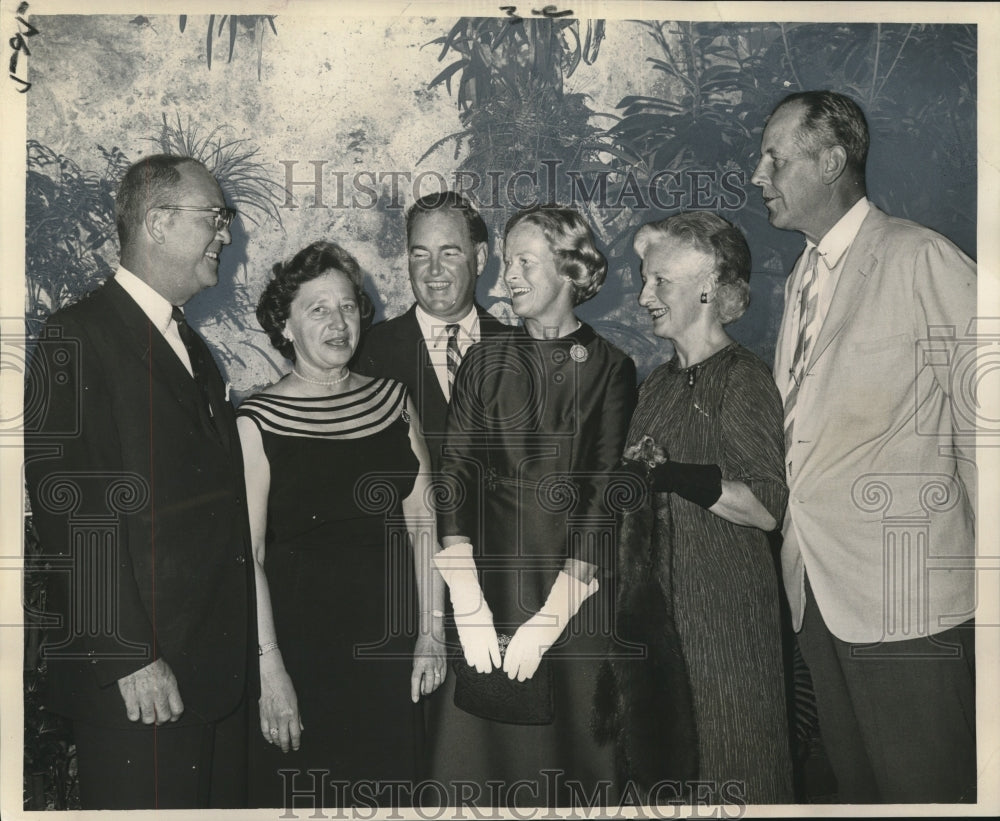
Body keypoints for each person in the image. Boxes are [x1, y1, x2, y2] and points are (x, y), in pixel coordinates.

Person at [751, 90, 977, 802]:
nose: (758, 174)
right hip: (817, 589)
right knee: (860, 791)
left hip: (908, 596)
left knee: (926, 790)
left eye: (774, 159)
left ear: (831, 161)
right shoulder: (802, 279)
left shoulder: (921, 257)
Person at [23, 155, 256, 809]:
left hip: (211, 679)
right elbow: (68, 506)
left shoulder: (192, 346)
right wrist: (129, 654)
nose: (227, 234)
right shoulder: (77, 334)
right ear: (157, 222)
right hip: (143, 683)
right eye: (214, 217)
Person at [429, 206, 637, 807]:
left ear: (571, 270)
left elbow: (604, 493)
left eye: (524, 262)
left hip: (576, 599)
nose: (506, 278)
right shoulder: (484, 360)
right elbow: (455, 473)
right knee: (478, 771)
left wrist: (553, 618)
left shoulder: (612, 369)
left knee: (572, 768)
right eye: (506, 261)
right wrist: (466, 600)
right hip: (491, 596)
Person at [236, 240, 447, 809]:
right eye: (318, 309)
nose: (338, 322)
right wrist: (270, 671)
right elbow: (249, 554)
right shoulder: (257, 421)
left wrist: (431, 631)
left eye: (348, 306)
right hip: (300, 648)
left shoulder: (394, 402)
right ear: (284, 325)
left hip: (388, 644)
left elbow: (423, 522)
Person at [613, 212, 792, 803]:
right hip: (660, 630)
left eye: (659, 281)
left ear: (708, 288)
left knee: (734, 769)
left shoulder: (744, 380)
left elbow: (767, 506)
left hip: (725, 629)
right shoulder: (657, 388)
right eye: (646, 281)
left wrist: (669, 474)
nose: (644, 296)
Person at [354, 191, 508, 471]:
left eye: (449, 253)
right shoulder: (368, 353)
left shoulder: (521, 349)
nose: (434, 270)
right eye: (421, 255)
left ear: (481, 258)